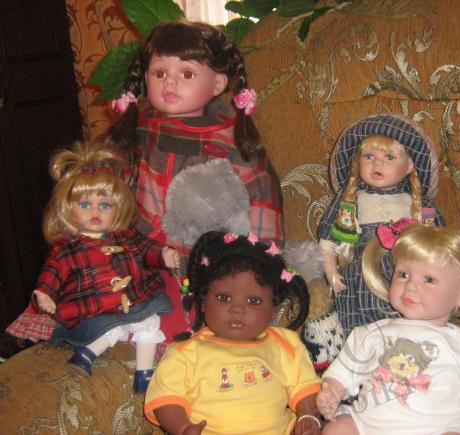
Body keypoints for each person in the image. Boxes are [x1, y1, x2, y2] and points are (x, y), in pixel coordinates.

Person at [107, 20, 285, 341]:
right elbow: (102, 191)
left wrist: (260, 265)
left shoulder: (231, 139)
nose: (170, 82)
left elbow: (262, 202)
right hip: (140, 260)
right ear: (145, 77)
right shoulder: (135, 131)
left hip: (207, 265)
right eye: (159, 73)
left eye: (187, 74)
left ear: (218, 83)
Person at [6, 142, 179, 393]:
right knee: (113, 326)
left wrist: (163, 256)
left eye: (105, 205)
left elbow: (146, 251)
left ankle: (144, 374)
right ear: (68, 208)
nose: (95, 211)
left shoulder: (126, 236)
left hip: (134, 298)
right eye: (85, 205)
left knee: (150, 321)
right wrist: (46, 294)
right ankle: (86, 353)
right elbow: (53, 273)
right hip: (93, 306)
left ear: (118, 208)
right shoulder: (67, 248)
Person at [317, 220, 460, 434]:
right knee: (337, 428)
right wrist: (332, 392)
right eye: (403, 274)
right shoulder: (369, 333)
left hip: (438, 430)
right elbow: (342, 372)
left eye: (429, 279)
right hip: (368, 427)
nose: (410, 285)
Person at [144, 231, 322, 435]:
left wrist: (307, 418)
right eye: (223, 298)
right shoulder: (186, 352)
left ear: (273, 309)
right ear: (203, 302)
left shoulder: (285, 343)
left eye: (254, 301)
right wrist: (183, 428)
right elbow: (166, 399)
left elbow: (306, 388)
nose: (237, 309)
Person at [317, 113, 444, 339]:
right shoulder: (349, 202)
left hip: (405, 283)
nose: (377, 163)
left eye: (389, 157)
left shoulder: (419, 206)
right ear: (357, 162)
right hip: (356, 285)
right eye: (369, 156)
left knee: (404, 334)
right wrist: (332, 274)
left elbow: (441, 249)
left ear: (409, 166)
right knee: (357, 336)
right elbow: (327, 243)